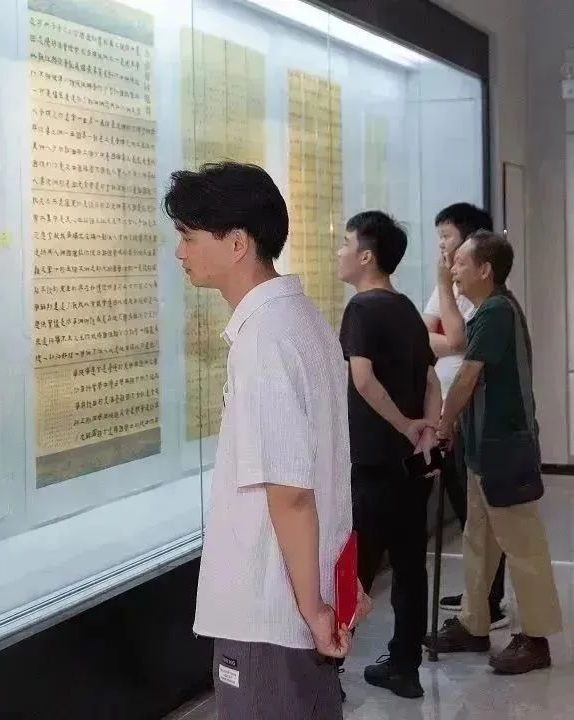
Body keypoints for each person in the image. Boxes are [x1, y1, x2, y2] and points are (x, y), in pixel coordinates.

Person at [168, 162, 361, 720]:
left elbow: (291, 491)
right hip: (300, 596)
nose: (180, 252)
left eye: (189, 237)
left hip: (270, 610)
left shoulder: (265, 341)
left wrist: (313, 606)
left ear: (237, 244)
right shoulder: (302, 320)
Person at [426, 230, 563, 675]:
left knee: (522, 546)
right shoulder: (489, 309)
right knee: (479, 541)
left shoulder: (497, 311)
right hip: (483, 450)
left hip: (505, 449)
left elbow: (467, 376)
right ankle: (473, 624)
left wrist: (443, 424)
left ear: (485, 270)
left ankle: (536, 639)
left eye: (461, 262)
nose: (454, 269)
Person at [336, 211, 441, 699]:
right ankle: (405, 667)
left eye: (345, 243)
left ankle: (328, 669)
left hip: (373, 463)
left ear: (366, 256)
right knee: (409, 568)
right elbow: (431, 380)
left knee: (353, 571)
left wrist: (403, 425)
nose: (339, 252)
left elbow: (362, 379)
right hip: (410, 466)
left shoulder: (361, 308)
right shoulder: (404, 308)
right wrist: (426, 431)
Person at [423, 203, 508, 627]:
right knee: (466, 512)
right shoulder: (449, 287)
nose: (442, 247)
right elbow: (424, 334)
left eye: (448, 238)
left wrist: (445, 335)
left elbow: (458, 343)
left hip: (466, 413)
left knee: (483, 515)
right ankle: (478, 595)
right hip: (445, 408)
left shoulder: (484, 296)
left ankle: (489, 601)